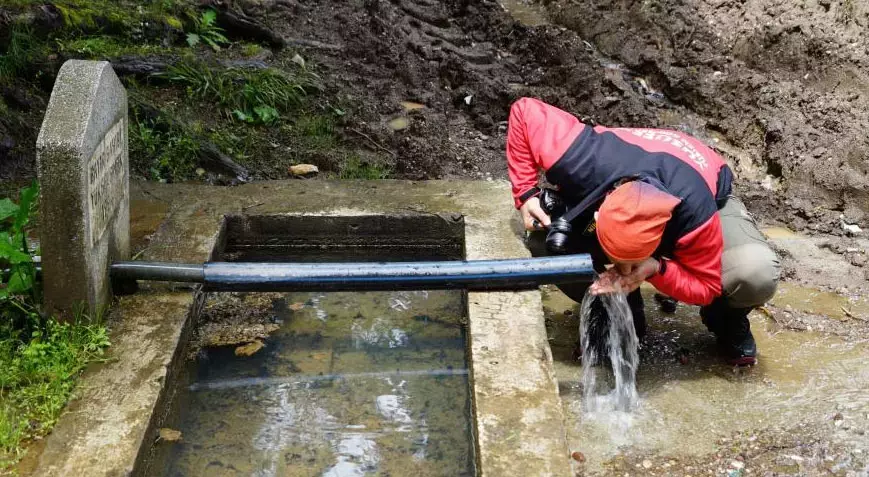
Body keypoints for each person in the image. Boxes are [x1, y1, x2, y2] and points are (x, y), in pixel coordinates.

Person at [507, 97, 780, 365]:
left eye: (630, 263)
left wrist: (657, 269)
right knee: (545, 239)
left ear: (663, 237)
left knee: (755, 272)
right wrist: (526, 192)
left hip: (706, 189)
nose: (623, 269)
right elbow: (524, 110)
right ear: (599, 215)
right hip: (622, 164)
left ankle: (725, 317)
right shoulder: (578, 158)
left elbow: (706, 286)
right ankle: (614, 309)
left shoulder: (696, 217)